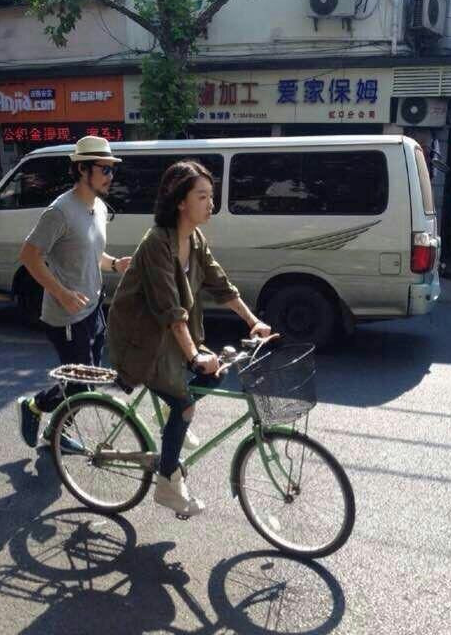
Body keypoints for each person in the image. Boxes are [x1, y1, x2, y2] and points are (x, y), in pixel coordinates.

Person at [107, 160, 272, 517]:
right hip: (142, 340)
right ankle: (167, 484)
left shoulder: (193, 239)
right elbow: (171, 311)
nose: (210, 203)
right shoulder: (156, 244)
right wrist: (195, 356)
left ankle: (171, 421)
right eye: (203, 196)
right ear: (180, 201)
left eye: (210, 196)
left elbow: (220, 284)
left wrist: (254, 321)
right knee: (185, 403)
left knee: (218, 372)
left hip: (168, 334)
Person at [16, 136, 132, 449]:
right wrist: (62, 293)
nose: (110, 177)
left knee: (88, 379)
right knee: (81, 383)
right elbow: (28, 256)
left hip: (92, 308)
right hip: (66, 315)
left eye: (112, 170)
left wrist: (115, 264)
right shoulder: (60, 211)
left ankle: (60, 431)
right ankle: (34, 406)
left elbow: (90, 255)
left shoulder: (98, 207)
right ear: (82, 170)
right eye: (104, 170)